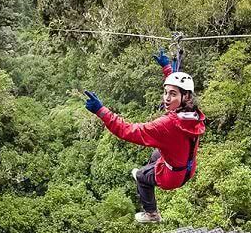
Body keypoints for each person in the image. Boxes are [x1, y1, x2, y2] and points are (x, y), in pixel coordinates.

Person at [84, 51, 205, 223]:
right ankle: (152, 169)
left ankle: (152, 214)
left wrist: (101, 111)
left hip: (172, 178)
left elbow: (129, 131)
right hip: (187, 165)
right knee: (157, 153)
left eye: (172, 95)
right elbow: (177, 88)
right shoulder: (193, 114)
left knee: (141, 176)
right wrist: (167, 68)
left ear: (185, 97)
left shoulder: (167, 125)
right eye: (165, 92)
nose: (166, 98)